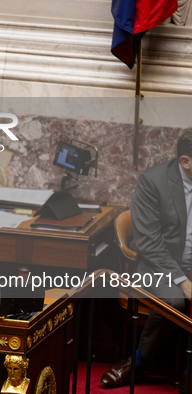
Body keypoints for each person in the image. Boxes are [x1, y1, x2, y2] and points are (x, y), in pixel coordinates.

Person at [100, 129, 192, 389]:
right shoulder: (153, 181)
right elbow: (150, 243)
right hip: (157, 265)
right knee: (175, 300)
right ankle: (137, 361)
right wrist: (183, 279)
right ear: (186, 162)